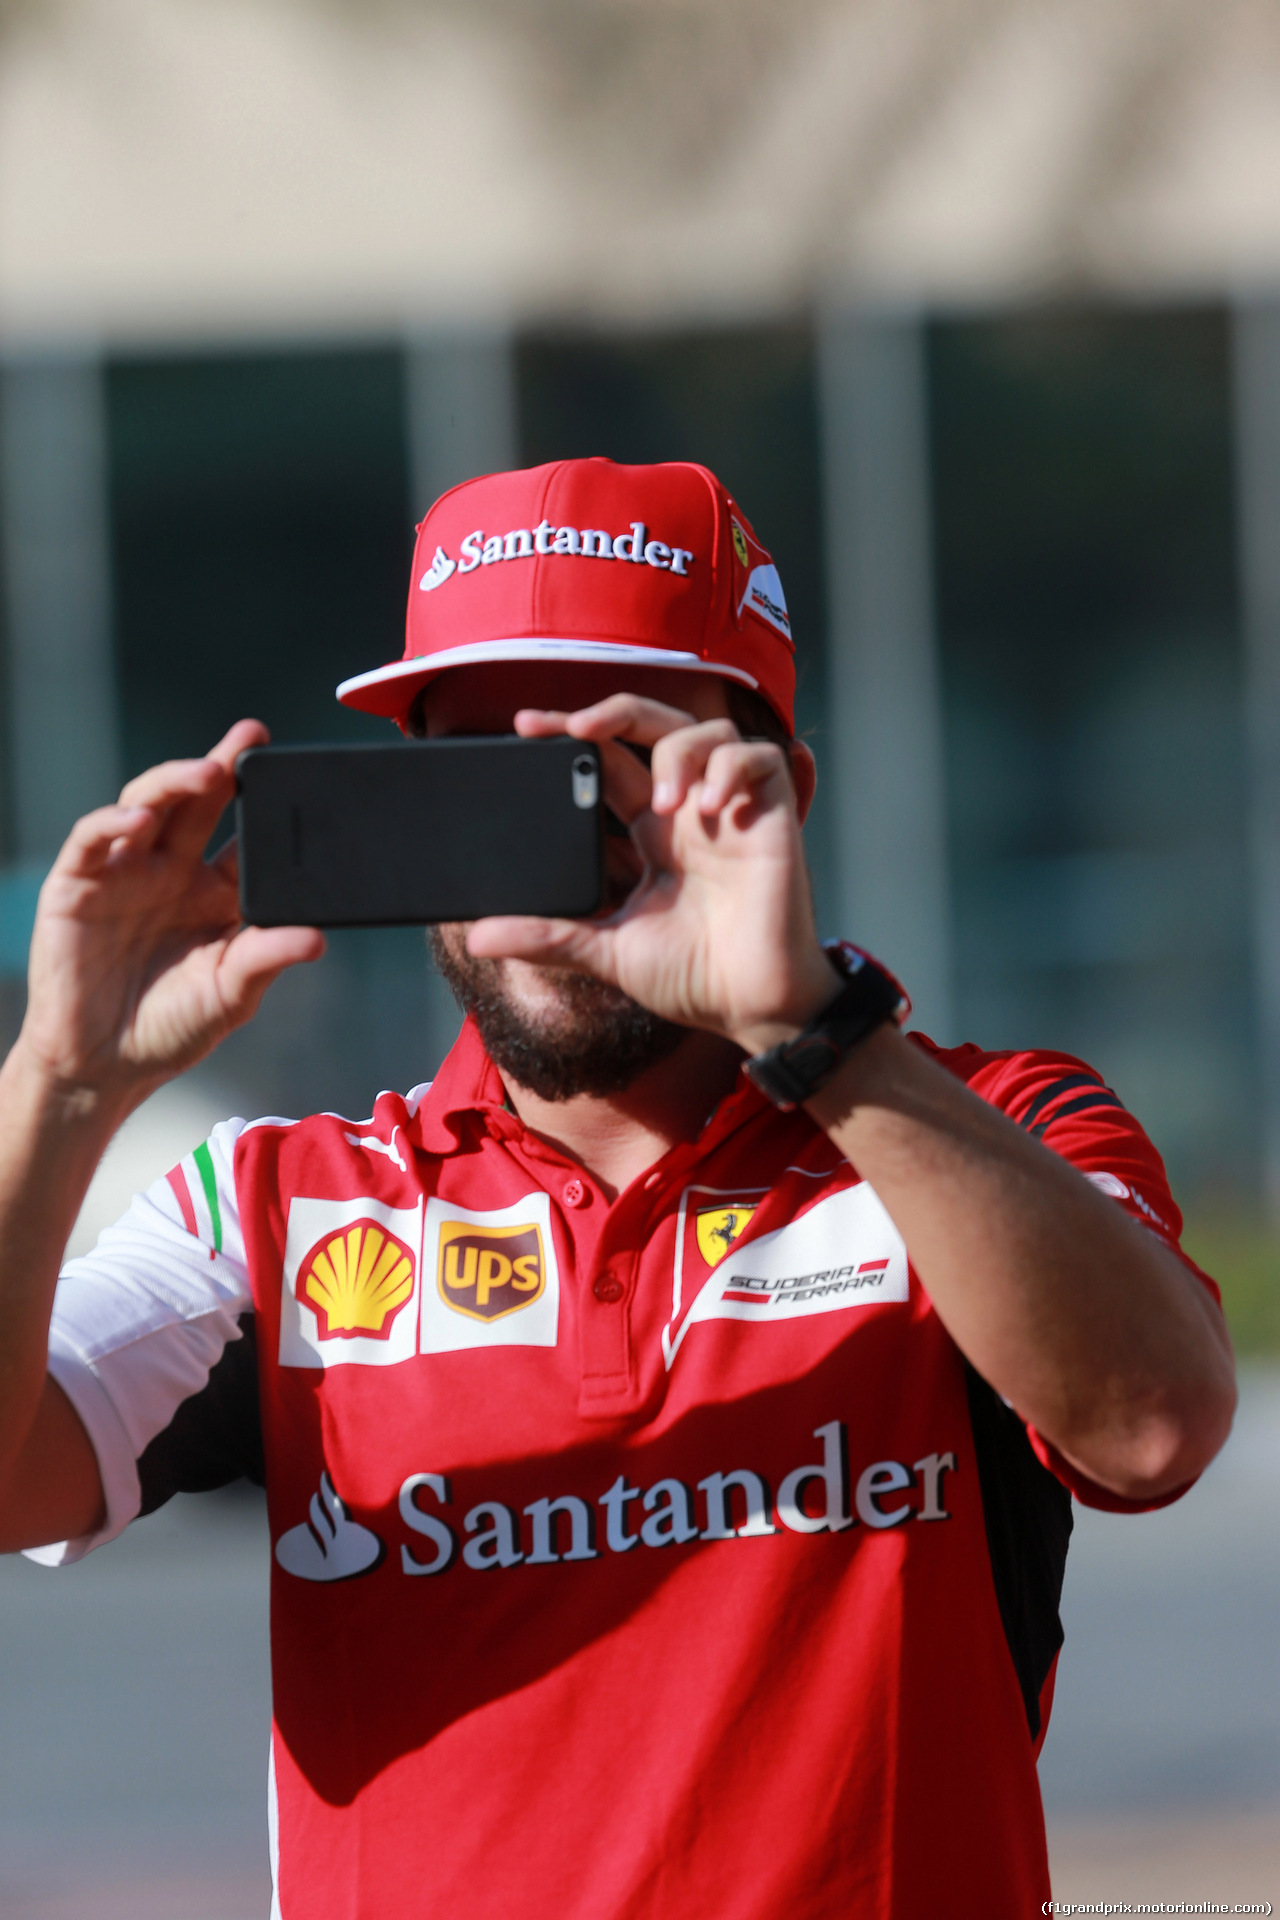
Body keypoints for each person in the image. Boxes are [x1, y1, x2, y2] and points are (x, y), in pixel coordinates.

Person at [0, 457, 1235, 1917]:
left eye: (606, 773)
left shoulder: (987, 1127)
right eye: (480, 778)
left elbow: (1154, 1430)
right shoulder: (276, 1206)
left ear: (779, 792)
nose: (549, 860)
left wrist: (814, 1037)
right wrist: (59, 1089)